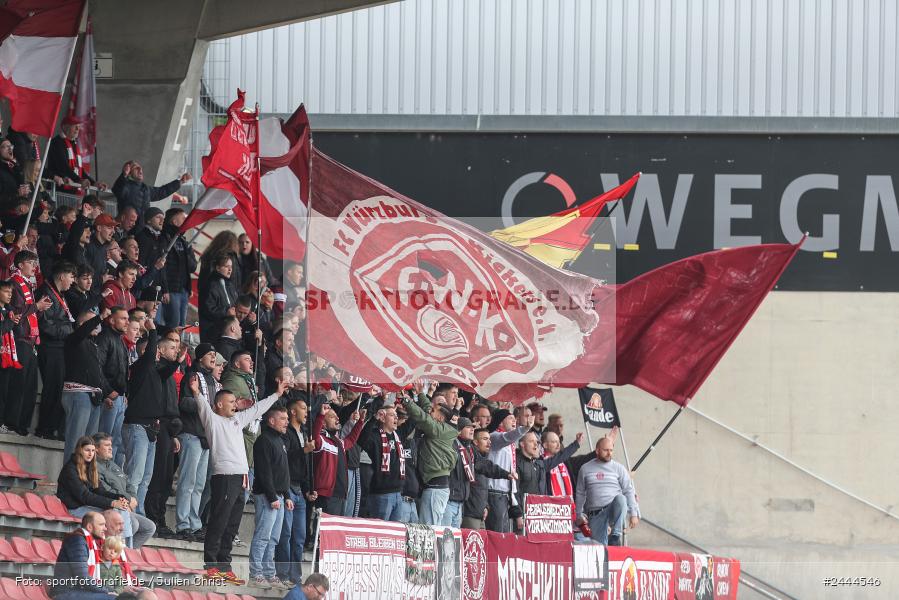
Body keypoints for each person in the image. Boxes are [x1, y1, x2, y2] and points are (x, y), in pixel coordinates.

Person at [185, 375, 289, 586]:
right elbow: (203, 405)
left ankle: (225, 566)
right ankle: (211, 565)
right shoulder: (212, 420)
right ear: (219, 404)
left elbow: (257, 409)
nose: (235, 405)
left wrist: (277, 394)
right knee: (219, 521)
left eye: (235, 402)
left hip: (241, 479)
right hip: (224, 477)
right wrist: (196, 391)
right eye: (231, 402)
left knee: (232, 526)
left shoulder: (236, 420)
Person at [6, 250, 53, 435]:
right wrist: (36, 306)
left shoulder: (27, 285)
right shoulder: (14, 283)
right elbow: (17, 311)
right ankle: (12, 422)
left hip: (31, 341)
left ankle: (22, 425)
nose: (35, 266)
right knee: (19, 385)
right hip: (19, 339)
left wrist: (39, 308)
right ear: (20, 265)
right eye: (30, 262)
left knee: (31, 387)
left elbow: (29, 313)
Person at [399, 387, 460, 526]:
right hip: (436, 487)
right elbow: (427, 410)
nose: (430, 411)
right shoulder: (441, 427)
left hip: (435, 489)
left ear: (440, 418)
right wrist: (421, 393)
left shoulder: (438, 430)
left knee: (428, 530)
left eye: (434, 411)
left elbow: (423, 417)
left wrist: (406, 401)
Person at [175, 342, 216, 541]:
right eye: (210, 354)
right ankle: (183, 525)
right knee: (187, 483)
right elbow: (184, 402)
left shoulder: (212, 380)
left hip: (205, 437)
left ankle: (194, 523)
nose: (214, 358)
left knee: (199, 484)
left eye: (214, 355)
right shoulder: (192, 376)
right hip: (191, 434)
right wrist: (207, 405)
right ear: (200, 358)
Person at [250, 405, 293, 590]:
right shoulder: (263, 441)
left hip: (280, 497)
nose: (287, 422)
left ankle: (269, 572)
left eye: (287, 419)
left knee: (274, 538)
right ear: (271, 420)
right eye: (283, 419)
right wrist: (272, 496)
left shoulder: (280, 441)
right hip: (268, 496)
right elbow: (264, 472)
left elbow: (283, 473)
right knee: (263, 536)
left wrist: (287, 495)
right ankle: (255, 573)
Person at [445, 418, 516, 528]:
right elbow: (486, 469)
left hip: (477, 512)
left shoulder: (473, 454)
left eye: (489, 439)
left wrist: (486, 506)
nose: (489, 442)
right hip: (464, 510)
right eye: (485, 439)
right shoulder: (460, 449)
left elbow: (484, 478)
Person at [35, 260, 78, 439]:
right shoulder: (46, 293)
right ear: (62, 276)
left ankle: (49, 427)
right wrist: (68, 331)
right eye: (71, 277)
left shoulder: (59, 294)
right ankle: (44, 429)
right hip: (50, 347)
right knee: (52, 389)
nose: (73, 281)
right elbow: (45, 325)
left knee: (57, 389)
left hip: (59, 349)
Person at [275, 395, 315, 586]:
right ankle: (282, 574)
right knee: (286, 534)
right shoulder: (286, 432)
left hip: (300, 489)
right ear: (292, 411)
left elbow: (305, 464)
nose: (306, 411)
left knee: (299, 537)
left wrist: (308, 489)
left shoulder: (305, 432)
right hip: (287, 487)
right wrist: (303, 451)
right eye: (302, 408)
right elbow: (285, 458)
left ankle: (295, 576)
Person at [94, 432, 156, 549]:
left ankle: (126, 553)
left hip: (124, 505)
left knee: (150, 527)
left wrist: (133, 498)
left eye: (111, 445)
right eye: (106, 445)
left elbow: (129, 484)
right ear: (96, 449)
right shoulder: (94, 467)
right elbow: (106, 490)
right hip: (111, 506)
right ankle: (120, 553)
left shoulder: (113, 465)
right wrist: (126, 500)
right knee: (135, 524)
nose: (111, 448)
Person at [575, 435, 640, 546]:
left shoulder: (619, 468)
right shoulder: (585, 468)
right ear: (597, 450)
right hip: (595, 515)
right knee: (600, 549)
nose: (609, 453)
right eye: (606, 450)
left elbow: (629, 490)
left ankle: (616, 534)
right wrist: (578, 514)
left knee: (621, 498)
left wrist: (633, 514)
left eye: (611, 450)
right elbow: (580, 493)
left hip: (612, 510)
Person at [513, 431, 582, 532]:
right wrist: (518, 514)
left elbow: (560, 457)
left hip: (540, 514)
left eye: (537, 441)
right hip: (524, 515)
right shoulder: (516, 463)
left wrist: (576, 444)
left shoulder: (540, 464)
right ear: (522, 444)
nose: (536, 444)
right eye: (532, 441)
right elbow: (515, 491)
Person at [357, 400, 414, 521]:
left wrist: (410, 403)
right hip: (381, 494)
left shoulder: (399, 434)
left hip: (398, 493)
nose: (396, 418)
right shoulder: (375, 436)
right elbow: (361, 439)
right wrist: (374, 418)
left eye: (396, 416)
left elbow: (414, 420)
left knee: (394, 534)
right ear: (383, 418)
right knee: (380, 533)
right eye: (392, 415)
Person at [61, 312, 106, 461]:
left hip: (94, 397)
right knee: (76, 441)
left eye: (97, 322)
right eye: (92, 322)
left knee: (89, 445)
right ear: (81, 325)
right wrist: (99, 317)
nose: (97, 325)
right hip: (78, 394)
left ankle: (82, 479)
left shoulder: (94, 345)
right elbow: (80, 333)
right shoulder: (73, 340)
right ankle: (69, 479)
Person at [57, 436, 131, 523]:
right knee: (115, 515)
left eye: (92, 451)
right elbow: (85, 496)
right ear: (79, 450)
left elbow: (100, 491)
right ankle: (119, 537)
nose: (90, 454)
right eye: (87, 450)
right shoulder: (70, 469)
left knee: (127, 515)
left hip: (88, 506)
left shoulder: (90, 468)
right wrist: (112, 503)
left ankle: (121, 537)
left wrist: (119, 497)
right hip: (74, 509)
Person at [311, 402, 365, 516]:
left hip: (340, 494)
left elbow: (351, 440)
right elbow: (314, 436)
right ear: (323, 424)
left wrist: (360, 422)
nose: (337, 418)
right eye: (331, 416)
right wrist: (321, 415)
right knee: (323, 531)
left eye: (337, 416)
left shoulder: (339, 442)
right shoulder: (321, 440)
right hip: (327, 495)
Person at [485, 408, 533, 533]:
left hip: (505, 496)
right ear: (500, 422)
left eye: (515, 419)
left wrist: (515, 505)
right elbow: (506, 438)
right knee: (497, 536)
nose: (515, 421)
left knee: (505, 537)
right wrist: (524, 429)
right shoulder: (494, 437)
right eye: (511, 418)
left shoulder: (511, 444)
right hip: (494, 494)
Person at [49, 511, 116, 599]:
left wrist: (115, 590)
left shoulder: (88, 541)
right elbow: (83, 578)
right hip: (65, 592)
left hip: (78, 590)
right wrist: (107, 591)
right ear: (89, 527)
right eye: (101, 525)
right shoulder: (77, 541)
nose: (105, 528)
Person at [95, 307, 130, 464]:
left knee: (115, 441)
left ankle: (109, 475)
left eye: (127, 318)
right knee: (104, 439)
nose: (127, 322)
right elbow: (98, 366)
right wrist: (107, 392)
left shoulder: (120, 340)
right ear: (111, 320)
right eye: (123, 318)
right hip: (109, 398)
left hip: (120, 399)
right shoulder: (105, 337)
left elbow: (123, 371)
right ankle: (98, 475)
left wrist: (124, 395)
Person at [111, 160, 189, 222]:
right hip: (128, 227)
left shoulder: (145, 188)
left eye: (140, 167)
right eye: (135, 168)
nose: (140, 169)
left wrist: (180, 181)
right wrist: (123, 175)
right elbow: (117, 189)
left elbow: (162, 192)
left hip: (142, 227)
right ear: (128, 172)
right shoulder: (125, 187)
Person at [158, 207, 196, 327]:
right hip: (171, 289)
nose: (186, 220)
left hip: (183, 289)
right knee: (172, 324)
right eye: (183, 218)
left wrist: (187, 254)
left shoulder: (184, 241)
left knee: (181, 325)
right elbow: (162, 267)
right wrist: (165, 289)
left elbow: (193, 267)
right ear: (174, 221)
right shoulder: (163, 239)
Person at [199, 254, 238, 343]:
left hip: (228, 329)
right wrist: (226, 312)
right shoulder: (210, 285)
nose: (230, 269)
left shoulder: (230, 285)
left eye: (231, 267)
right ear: (217, 268)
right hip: (213, 332)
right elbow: (207, 309)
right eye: (226, 266)